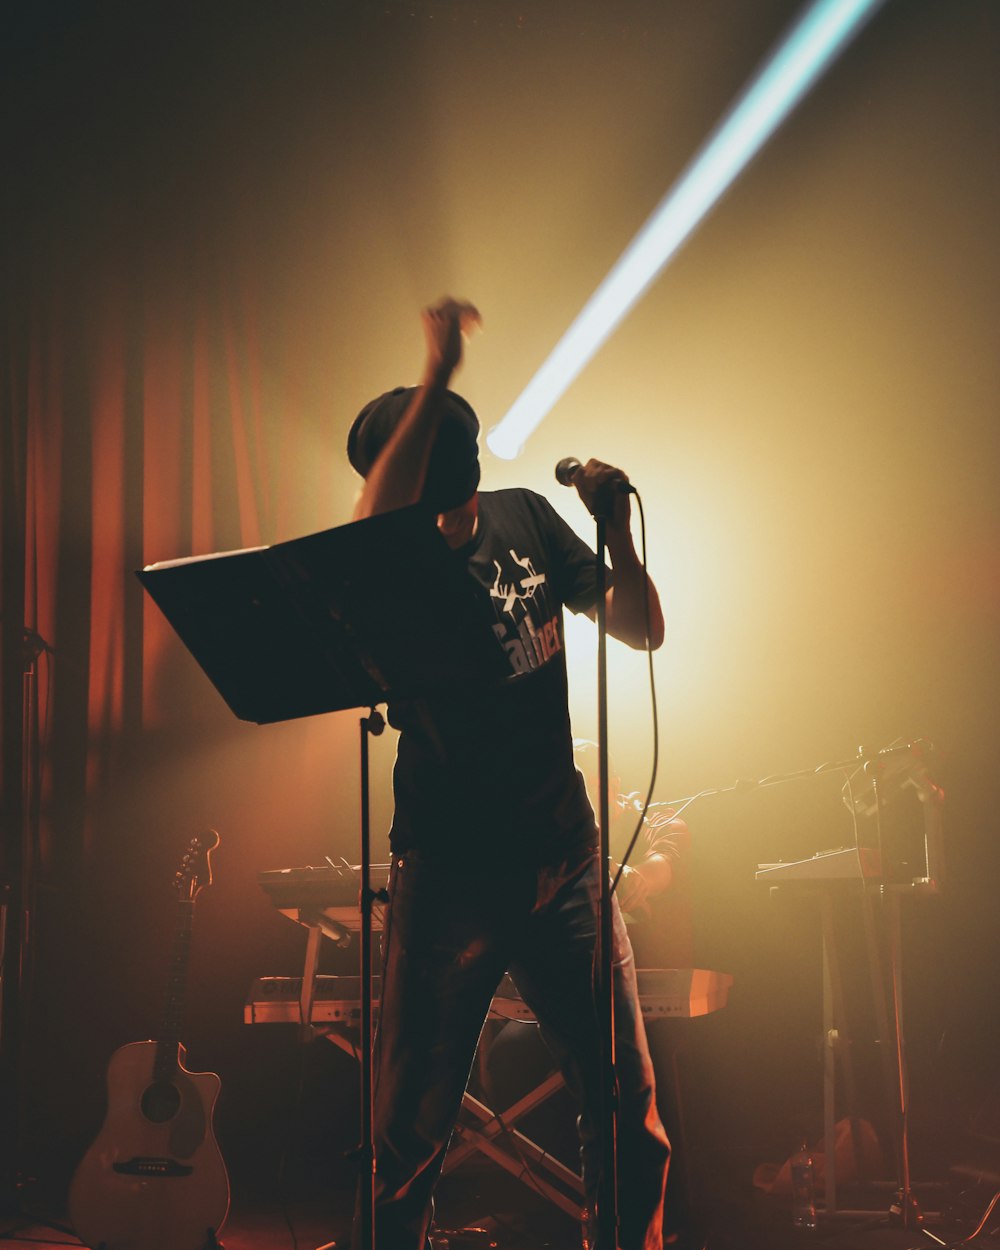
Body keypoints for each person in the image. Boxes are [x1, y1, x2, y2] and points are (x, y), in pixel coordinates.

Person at [346, 296, 669, 1250]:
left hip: (563, 860)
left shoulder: (526, 516)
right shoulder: (389, 564)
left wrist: (615, 533)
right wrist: (439, 370)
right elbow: (371, 527)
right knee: (409, 1128)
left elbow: (643, 628)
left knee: (626, 1105)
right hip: (449, 873)